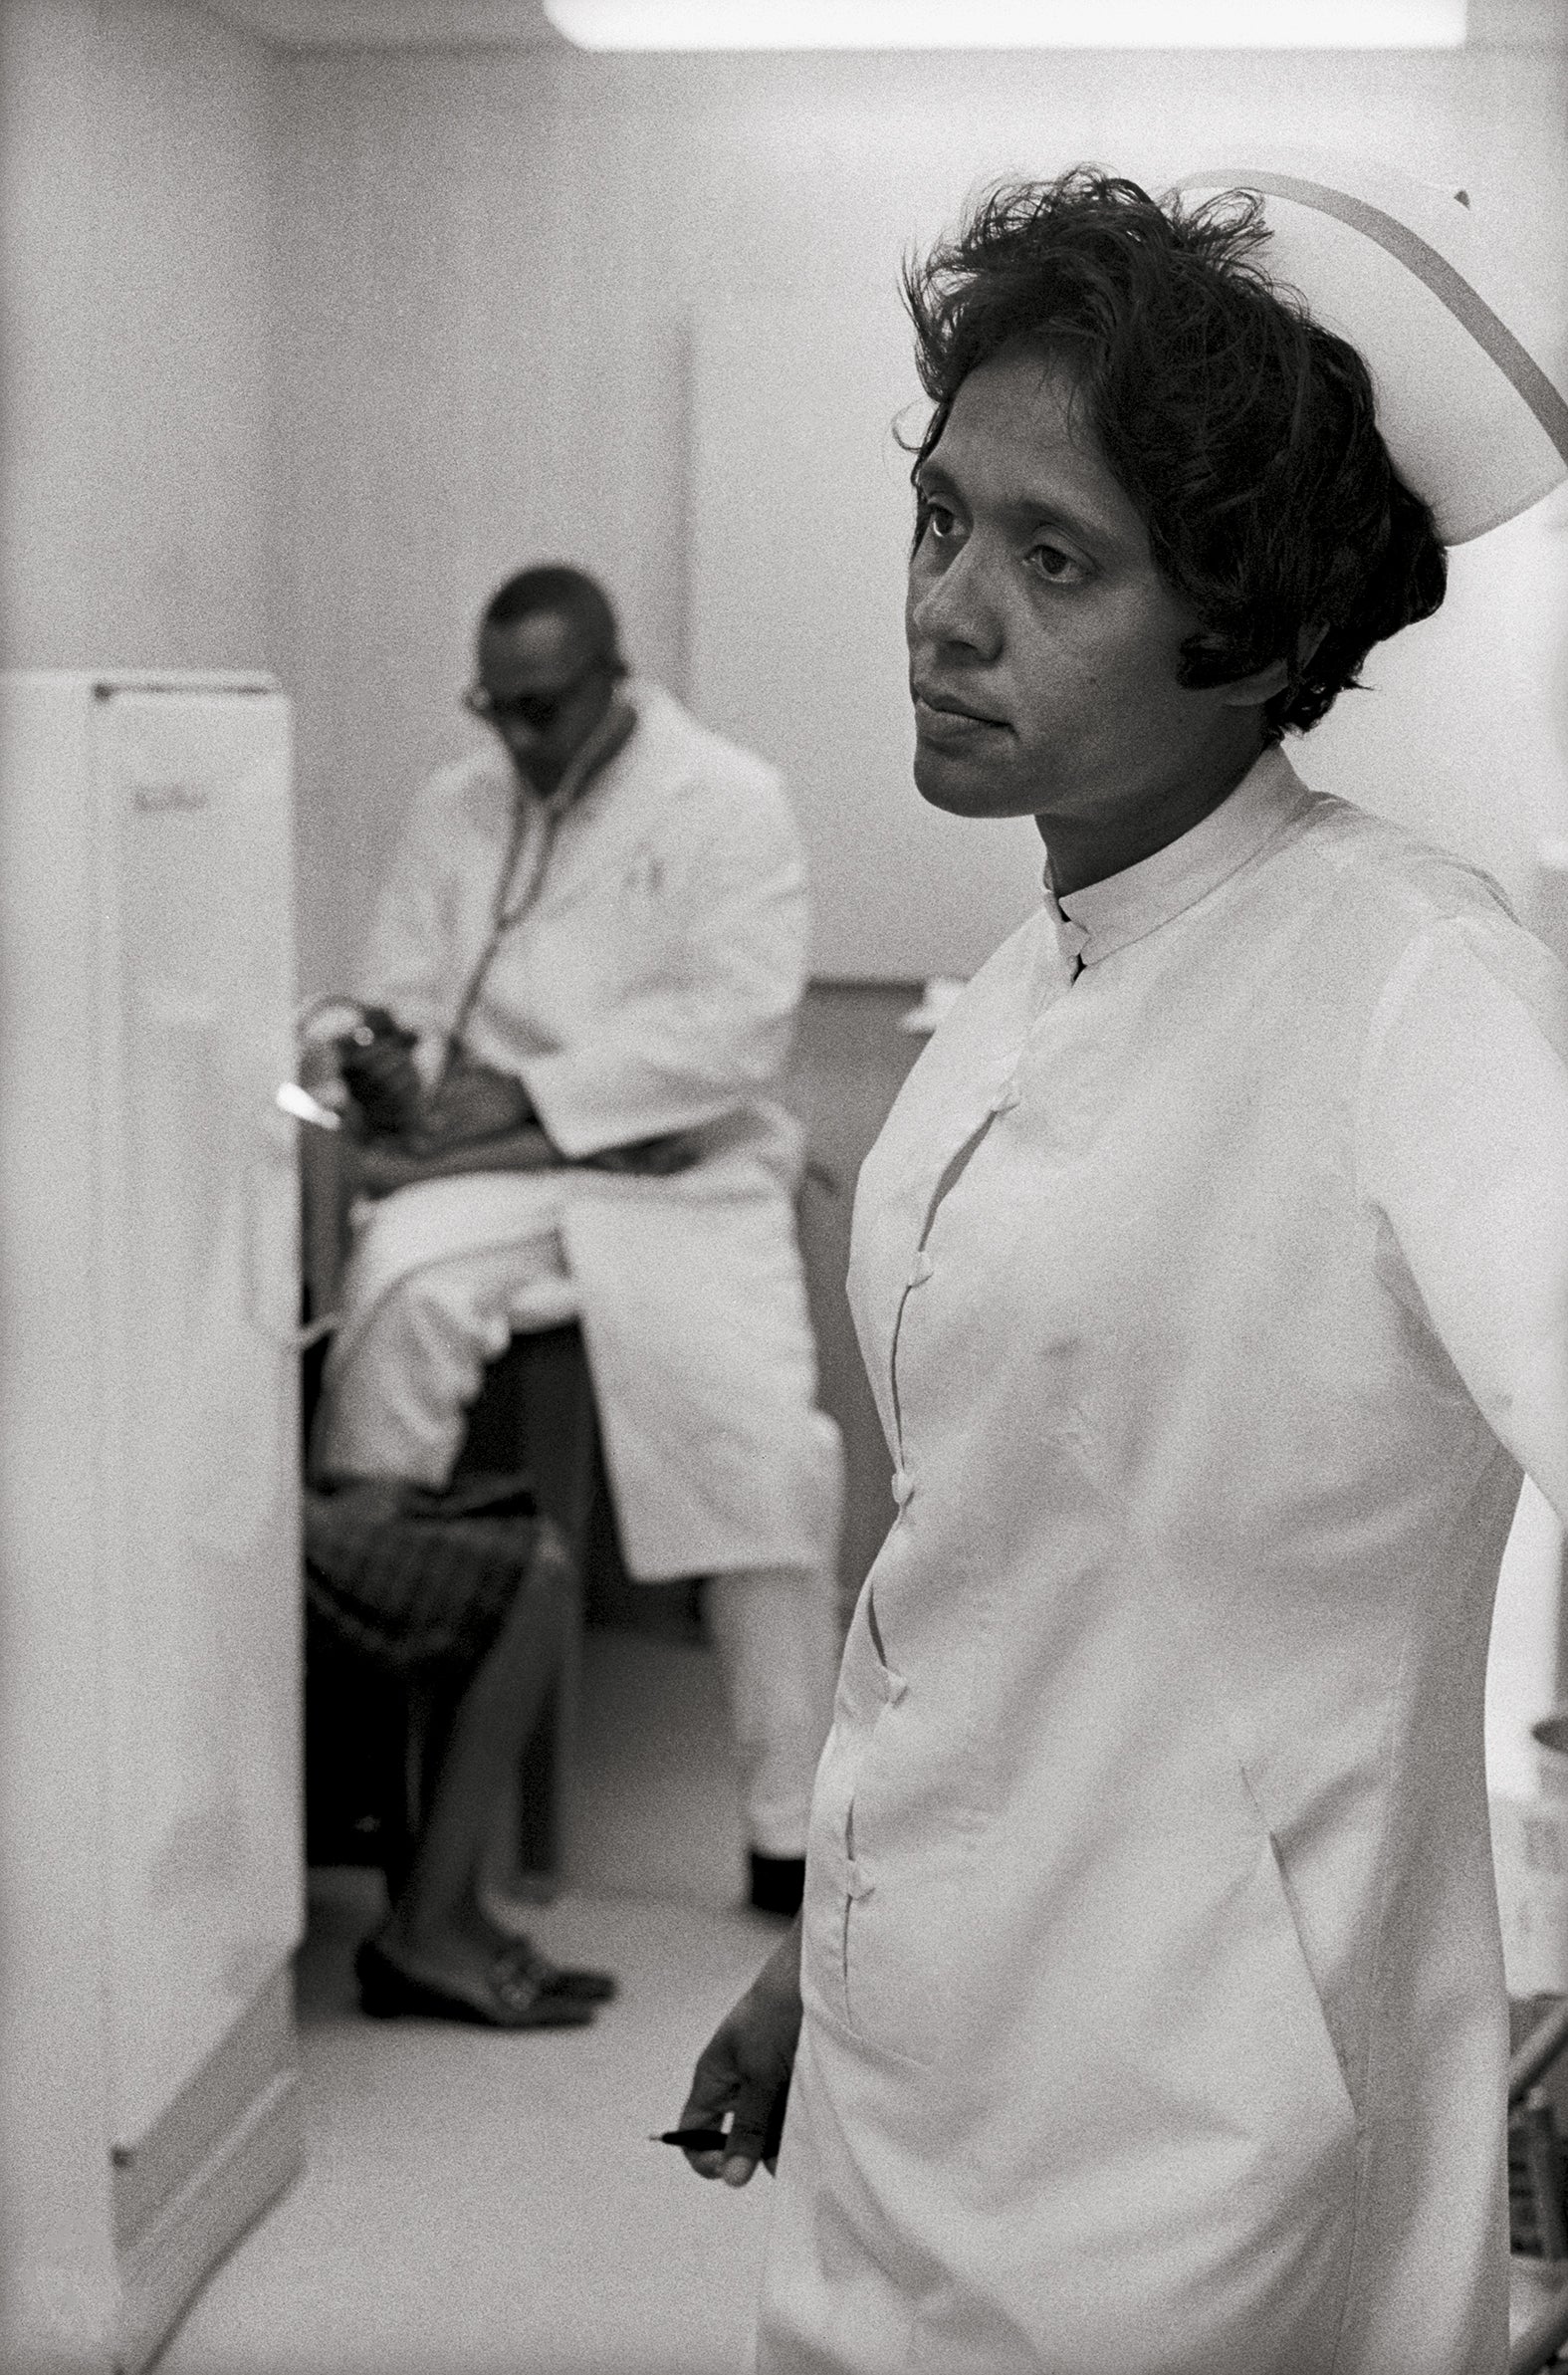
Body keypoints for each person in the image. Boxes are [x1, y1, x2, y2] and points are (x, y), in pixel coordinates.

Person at [675, 163, 1568, 2374]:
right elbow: (975, 1531)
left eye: (1049, 556)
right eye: (941, 516)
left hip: (1202, 2137)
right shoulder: (1020, 973)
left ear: (1253, 631)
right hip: (914, 2059)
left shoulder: (1408, 982)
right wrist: (819, 1960)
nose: (945, 610)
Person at [312, 565, 844, 1966]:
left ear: (616, 675)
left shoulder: (731, 800)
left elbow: (731, 1029)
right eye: (500, 708)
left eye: (545, 709)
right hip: (500, 1168)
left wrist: (541, 1100)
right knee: (394, 1305)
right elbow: (406, 993)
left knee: (762, 1451)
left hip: (683, 1170)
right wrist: (388, 1067)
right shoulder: (457, 804)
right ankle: (400, 1791)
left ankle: (788, 1827)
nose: (520, 739)